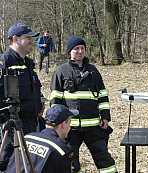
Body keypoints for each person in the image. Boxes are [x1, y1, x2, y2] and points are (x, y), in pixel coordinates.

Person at [50, 36, 117, 173]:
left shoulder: (93, 71)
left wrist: (105, 117)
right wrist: (57, 124)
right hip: (70, 129)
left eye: (82, 48)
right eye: (76, 49)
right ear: (70, 51)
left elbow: (103, 96)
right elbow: (55, 100)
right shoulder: (60, 72)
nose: (80, 51)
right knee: (70, 164)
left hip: (94, 127)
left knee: (105, 161)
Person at [0, 23, 42, 171]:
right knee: (7, 162)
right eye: (28, 38)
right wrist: (5, 120)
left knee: (29, 163)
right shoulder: (4, 62)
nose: (32, 41)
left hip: (32, 124)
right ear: (16, 39)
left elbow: (35, 89)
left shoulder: (29, 64)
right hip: (11, 127)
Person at [5, 104, 77, 173]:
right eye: (69, 123)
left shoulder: (26, 138)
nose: (70, 127)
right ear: (63, 124)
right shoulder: (62, 151)